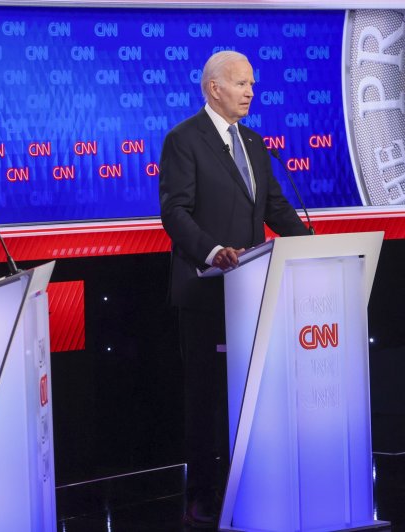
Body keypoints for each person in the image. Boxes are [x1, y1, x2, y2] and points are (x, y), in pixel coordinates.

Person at [159, 50, 309, 528]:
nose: (250, 92)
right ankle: (203, 495)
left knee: (252, 396)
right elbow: (175, 213)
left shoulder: (254, 141)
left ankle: (255, 485)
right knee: (206, 400)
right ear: (213, 88)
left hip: (255, 293)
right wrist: (212, 251)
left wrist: (312, 245)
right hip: (207, 292)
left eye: (252, 84)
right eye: (241, 83)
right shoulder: (183, 140)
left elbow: (275, 208)